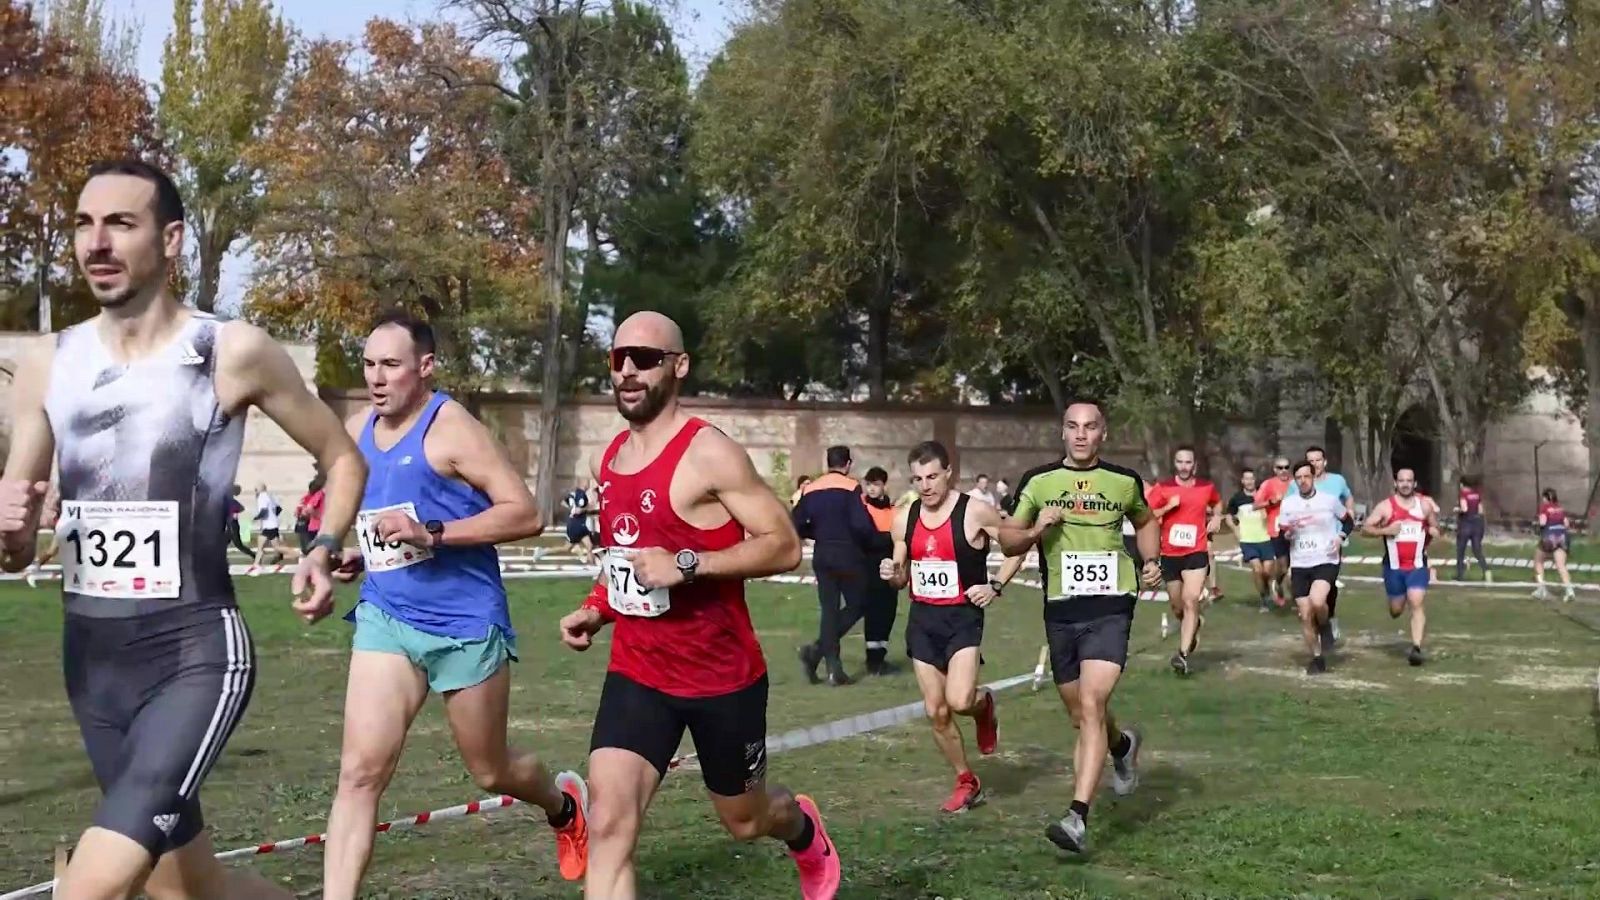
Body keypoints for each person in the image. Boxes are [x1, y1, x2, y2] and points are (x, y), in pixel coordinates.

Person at [0, 158, 366, 900]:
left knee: (89, 888)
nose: (97, 243)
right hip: (92, 665)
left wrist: (323, 547)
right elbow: (15, 548)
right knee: (190, 889)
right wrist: (8, 529)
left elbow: (342, 457)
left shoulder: (229, 351)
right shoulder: (47, 363)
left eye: (120, 223)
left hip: (192, 654)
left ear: (169, 240)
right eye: (84, 225)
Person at [557, 311, 839, 900]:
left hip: (721, 678)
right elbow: (627, 558)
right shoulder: (609, 458)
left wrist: (687, 564)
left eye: (644, 359)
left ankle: (801, 828)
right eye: (617, 358)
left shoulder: (709, 453)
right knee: (608, 827)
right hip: (638, 672)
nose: (627, 371)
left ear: (678, 366)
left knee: (745, 821)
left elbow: (784, 545)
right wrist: (597, 607)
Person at [321, 314, 588, 898]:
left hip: (463, 623)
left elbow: (525, 513)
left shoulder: (452, 428)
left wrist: (433, 534)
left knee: (491, 769)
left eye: (391, 365)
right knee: (359, 774)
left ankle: (563, 806)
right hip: (387, 616)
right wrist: (361, 555)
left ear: (425, 367)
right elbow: (383, 514)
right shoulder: (359, 427)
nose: (376, 377)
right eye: (369, 364)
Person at [999, 399, 1162, 855]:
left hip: (1111, 604)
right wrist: (1036, 530)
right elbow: (1008, 540)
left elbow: (1146, 520)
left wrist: (1151, 560)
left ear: (1102, 433)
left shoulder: (1124, 481)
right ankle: (1122, 746)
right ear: (1063, 432)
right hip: (1061, 610)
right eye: (1073, 426)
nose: (1081, 434)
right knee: (1082, 713)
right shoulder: (1039, 481)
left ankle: (1077, 817)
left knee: (1092, 703)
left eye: (1090, 427)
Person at [879, 442, 1022, 812]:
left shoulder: (975, 511)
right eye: (917, 479)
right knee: (936, 711)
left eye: (932, 477)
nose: (925, 486)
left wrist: (995, 586)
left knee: (959, 701)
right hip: (923, 620)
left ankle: (982, 705)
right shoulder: (904, 517)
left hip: (962, 618)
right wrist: (892, 573)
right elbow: (900, 576)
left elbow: (1018, 546)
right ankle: (966, 780)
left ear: (948, 473)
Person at [792, 445, 890, 685]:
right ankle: (817, 652)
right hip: (847, 554)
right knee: (858, 604)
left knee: (829, 610)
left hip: (822, 554)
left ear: (828, 463)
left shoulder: (811, 488)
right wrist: (876, 541)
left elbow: (796, 522)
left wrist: (816, 532)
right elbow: (860, 525)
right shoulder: (850, 487)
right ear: (848, 464)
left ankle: (830, 665)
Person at [1147, 446, 1222, 675]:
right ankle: (1194, 624)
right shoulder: (1163, 488)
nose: (1184, 466)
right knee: (1177, 606)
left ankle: (1182, 654)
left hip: (1196, 551)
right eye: (1180, 462)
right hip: (1170, 554)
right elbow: (1146, 515)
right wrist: (1168, 507)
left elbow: (1217, 502)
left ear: (1194, 465)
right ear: (1175, 464)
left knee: (1191, 600)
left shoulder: (1206, 487)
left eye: (1188, 462)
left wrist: (1217, 517)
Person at [1278, 459, 1354, 674]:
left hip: (1325, 559)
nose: (1303, 481)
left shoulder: (1328, 500)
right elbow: (1282, 532)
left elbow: (1348, 521)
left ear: (1313, 478)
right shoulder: (1289, 504)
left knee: (1318, 602)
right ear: (1295, 480)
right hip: (1300, 562)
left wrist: (1340, 537)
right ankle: (1317, 657)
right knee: (1304, 614)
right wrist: (1287, 535)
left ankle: (1325, 624)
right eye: (1298, 478)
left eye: (1306, 476)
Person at [1362, 468, 1439, 666]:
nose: (1405, 484)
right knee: (1396, 610)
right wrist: (1386, 530)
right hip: (1394, 568)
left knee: (1416, 601)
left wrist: (1433, 530)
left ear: (1414, 484)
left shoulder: (1424, 506)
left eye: (1409, 481)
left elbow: (1434, 526)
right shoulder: (1386, 507)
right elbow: (1365, 529)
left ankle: (1416, 648)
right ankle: (1398, 601)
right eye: (1401, 481)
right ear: (1396, 483)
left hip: (1417, 566)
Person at [1305, 446, 1354, 641]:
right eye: (1310, 461)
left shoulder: (1337, 481)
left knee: (1328, 583)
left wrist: (1350, 511)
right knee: (1309, 587)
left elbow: (1348, 497)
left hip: (1331, 541)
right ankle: (1317, 621)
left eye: (1317, 460)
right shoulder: (1298, 484)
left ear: (1324, 462)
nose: (1314, 464)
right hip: (1306, 542)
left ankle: (1330, 618)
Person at [860, 466, 901, 675]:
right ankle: (872, 660)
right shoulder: (862, 508)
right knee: (873, 612)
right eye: (869, 484)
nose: (872, 489)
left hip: (889, 568)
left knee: (888, 611)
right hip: (868, 568)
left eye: (876, 484)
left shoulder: (894, 512)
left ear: (884, 485)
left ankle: (880, 656)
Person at [1227, 468, 1277, 610]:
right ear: (1242, 481)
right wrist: (1236, 531)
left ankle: (1268, 588)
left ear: (1255, 480)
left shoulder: (1263, 495)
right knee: (1257, 569)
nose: (1249, 481)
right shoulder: (1237, 498)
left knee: (1267, 571)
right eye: (1246, 479)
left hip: (1266, 538)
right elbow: (1229, 516)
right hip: (1248, 540)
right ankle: (1264, 599)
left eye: (1251, 478)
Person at [1255, 456, 1293, 602]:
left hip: (1294, 528)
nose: (1283, 470)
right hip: (1276, 530)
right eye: (1280, 468)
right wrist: (1271, 502)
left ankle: (1299, 601)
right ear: (1274, 469)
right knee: (1283, 566)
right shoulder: (1268, 484)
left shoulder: (1295, 483)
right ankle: (1276, 582)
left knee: (1296, 567)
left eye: (1286, 467)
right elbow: (1255, 505)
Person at [1533, 488, 1575, 602]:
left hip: (1550, 536)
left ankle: (1541, 588)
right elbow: (1566, 524)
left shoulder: (1545, 508)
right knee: (1561, 565)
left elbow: (1542, 522)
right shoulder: (1560, 508)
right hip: (1562, 537)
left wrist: (1538, 527)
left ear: (1546, 498)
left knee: (1538, 561)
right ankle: (1569, 591)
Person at [1456, 474, 1491, 582]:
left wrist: (1457, 509)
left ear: (1462, 484)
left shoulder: (1463, 493)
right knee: (1477, 549)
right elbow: (1481, 510)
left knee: (1461, 550)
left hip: (1466, 523)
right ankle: (1486, 571)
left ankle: (1460, 575)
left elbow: (1464, 509)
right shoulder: (1476, 493)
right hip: (1477, 523)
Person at [248, 482, 284, 573]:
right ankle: (256, 564)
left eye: (256, 489)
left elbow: (264, 511)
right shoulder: (270, 496)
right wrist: (273, 517)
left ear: (260, 489)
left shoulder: (262, 497)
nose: (255, 491)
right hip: (272, 524)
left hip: (269, 526)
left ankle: (257, 564)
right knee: (269, 546)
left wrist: (255, 519)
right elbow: (279, 508)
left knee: (267, 546)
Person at [564, 478, 596, 565]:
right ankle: (579, 552)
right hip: (577, 524)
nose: (588, 486)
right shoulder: (581, 495)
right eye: (587, 483)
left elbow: (563, 502)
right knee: (568, 547)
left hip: (574, 523)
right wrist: (588, 507)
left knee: (589, 546)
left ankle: (591, 565)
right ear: (583, 484)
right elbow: (579, 510)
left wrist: (571, 509)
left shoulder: (573, 494)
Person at [295, 476, 326, 556]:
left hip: (303, 523)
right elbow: (306, 511)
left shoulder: (306, 497)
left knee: (308, 548)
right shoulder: (317, 495)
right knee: (311, 549)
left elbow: (297, 512)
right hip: (308, 523)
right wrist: (318, 516)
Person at [225, 484, 252, 557]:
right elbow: (241, 508)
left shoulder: (231, 501)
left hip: (232, 525)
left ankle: (254, 556)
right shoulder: (231, 501)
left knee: (238, 545)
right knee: (223, 544)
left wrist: (233, 514)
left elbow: (241, 509)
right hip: (230, 525)